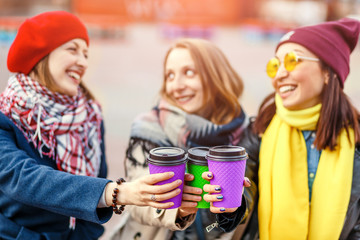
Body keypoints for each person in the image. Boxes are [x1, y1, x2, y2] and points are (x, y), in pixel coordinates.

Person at [0, 11, 187, 240]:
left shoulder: (89, 116)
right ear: (41, 54)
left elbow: (95, 194)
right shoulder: (6, 116)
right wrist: (117, 192)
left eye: (86, 54)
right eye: (72, 49)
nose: (83, 62)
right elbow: (24, 179)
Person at [110, 38, 254, 240]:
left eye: (189, 72)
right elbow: (137, 202)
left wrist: (233, 207)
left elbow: (251, 197)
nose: (176, 86)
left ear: (216, 76)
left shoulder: (245, 132)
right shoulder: (149, 129)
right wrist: (179, 208)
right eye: (170, 76)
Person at [231, 18, 360, 239]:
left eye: (292, 61)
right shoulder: (260, 129)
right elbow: (243, 192)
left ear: (328, 72)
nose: (279, 75)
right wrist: (229, 205)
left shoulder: (356, 141)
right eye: (275, 65)